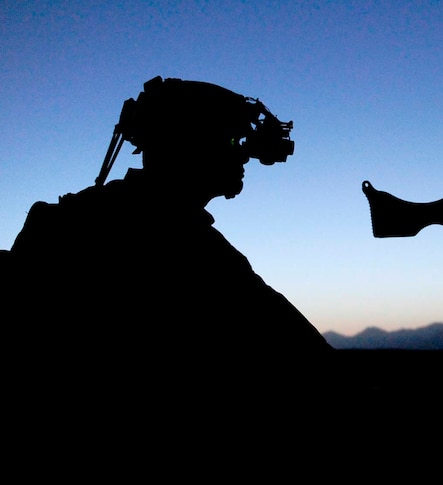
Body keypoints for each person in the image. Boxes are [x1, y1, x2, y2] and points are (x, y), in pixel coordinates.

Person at [3, 76, 333, 392]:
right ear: (189, 146)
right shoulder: (201, 256)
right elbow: (307, 356)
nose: (244, 154)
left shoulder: (61, 221)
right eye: (233, 140)